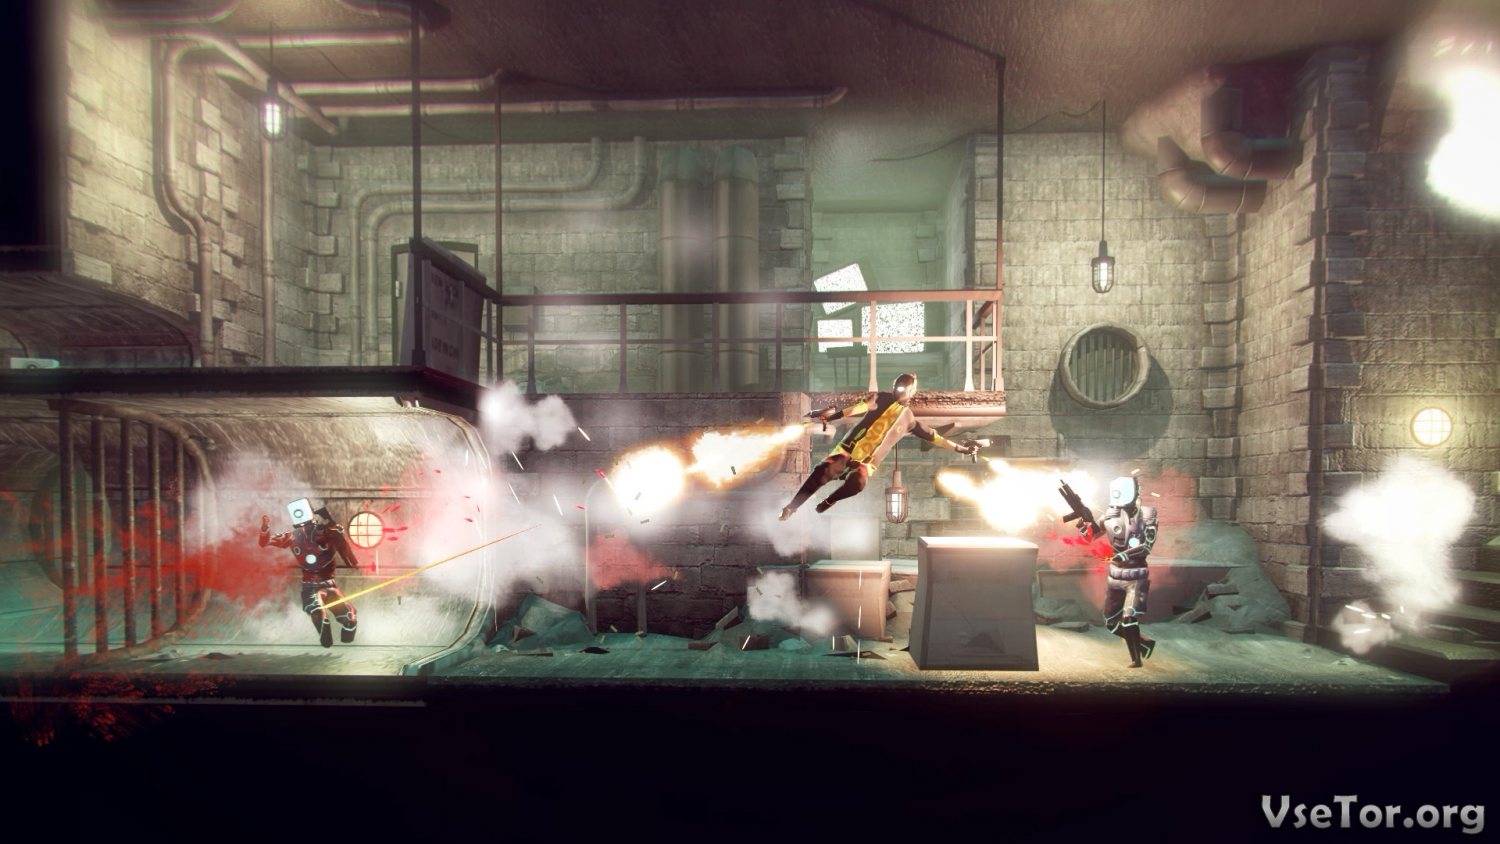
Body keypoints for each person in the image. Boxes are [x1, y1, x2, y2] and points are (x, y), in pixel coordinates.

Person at [779, 372, 976, 519]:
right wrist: (834, 416)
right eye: (897, 387)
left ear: (911, 392)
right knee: (823, 472)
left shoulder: (909, 420)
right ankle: (791, 507)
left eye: (903, 389)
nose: (898, 391)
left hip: (867, 463)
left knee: (858, 484)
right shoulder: (881, 398)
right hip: (849, 450)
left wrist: (960, 448)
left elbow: (935, 437)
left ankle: (830, 500)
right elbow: (858, 407)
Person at [258, 498, 361, 648]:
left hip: (329, 585)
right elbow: (265, 542)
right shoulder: (293, 536)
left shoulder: (326, 532)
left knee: (350, 616)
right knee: (319, 612)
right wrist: (265, 528)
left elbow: (342, 545)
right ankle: (327, 634)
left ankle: (344, 640)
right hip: (311, 586)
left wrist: (352, 560)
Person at [1097, 476, 1157, 667]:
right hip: (1115, 576)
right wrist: (1084, 524)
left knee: (1129, 619)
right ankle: (1144, 644)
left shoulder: (1147, 514)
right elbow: (1091, 534)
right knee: (1110, 623)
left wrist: (1125, 554)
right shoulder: (1109, 514)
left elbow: (1147, 546)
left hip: (1136, 576)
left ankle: (1136, 660)